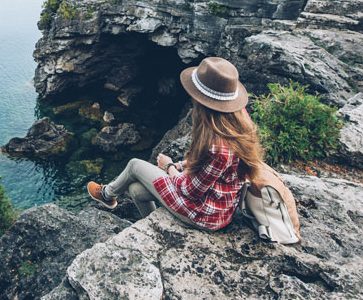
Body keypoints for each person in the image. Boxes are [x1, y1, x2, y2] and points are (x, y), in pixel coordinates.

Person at [86, 56, 263, 230]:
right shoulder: (238, 122)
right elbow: (210, 168)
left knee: (134, 165)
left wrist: (169, 165)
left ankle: (107, 195)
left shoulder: (217, 147)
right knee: (135, 190)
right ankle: (153, 229)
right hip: (221, 206)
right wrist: (181, 164)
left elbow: (190, 191)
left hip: (205, 214)